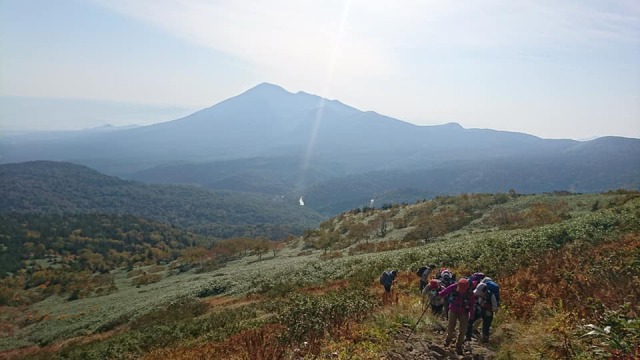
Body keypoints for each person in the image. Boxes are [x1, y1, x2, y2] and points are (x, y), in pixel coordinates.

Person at [439, 277, 475, 355]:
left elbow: (472, 305)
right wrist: (440, 294)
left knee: (462, 331)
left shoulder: (470, 293)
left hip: (464, 312)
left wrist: (471, 316)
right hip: (453, 310)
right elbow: (446, 291)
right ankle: (448, 340)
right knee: (450, 327)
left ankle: (458, 346)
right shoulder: (454, 286)